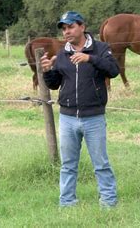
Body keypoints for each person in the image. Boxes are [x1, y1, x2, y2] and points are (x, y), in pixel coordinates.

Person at [40, 11, 119, 207]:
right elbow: (54, 85)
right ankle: (67, 203)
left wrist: (89, 59)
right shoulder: (62, 54)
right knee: (68, 165)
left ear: (82, 27)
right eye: (64, 28)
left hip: (93, 117)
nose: (67, 32)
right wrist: (48, 71)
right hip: (67, 118)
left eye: (71, 27)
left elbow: (114, 70)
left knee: (101, 164)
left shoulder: (100, 49)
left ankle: (108, 204)